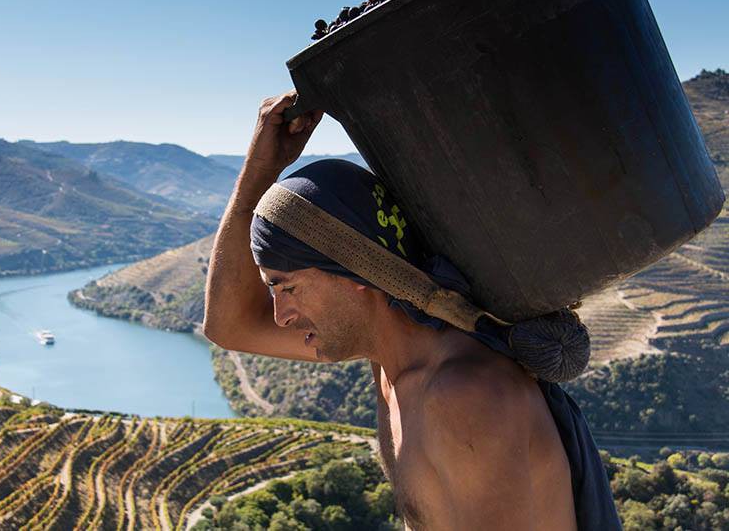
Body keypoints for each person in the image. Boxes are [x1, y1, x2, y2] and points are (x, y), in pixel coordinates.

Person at [203, 91, 620, 530]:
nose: (281, 315)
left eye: (286, 287)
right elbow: (228, 325)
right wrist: (259, 175)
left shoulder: (464, 396)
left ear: (355, 273)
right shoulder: (391, 359)